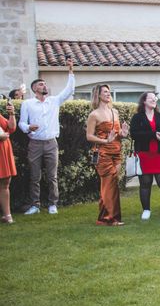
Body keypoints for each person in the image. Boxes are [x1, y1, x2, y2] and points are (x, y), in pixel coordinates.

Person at [19, 59, 75, 215]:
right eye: (41, 84)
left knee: (52, 176)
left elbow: (69, 90)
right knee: (34, 176)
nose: (44, 86)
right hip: (35, 143)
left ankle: (52, 204)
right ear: (34, 89)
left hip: (51, 143)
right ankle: (35, 205)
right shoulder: (27, 104)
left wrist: (70, 71)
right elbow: (21, 123)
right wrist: (29, 127)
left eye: (45, 84)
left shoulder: (54, 101)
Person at [130, 92, 160, 221]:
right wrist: (153, 134)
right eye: (150, 98)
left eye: (154, 98)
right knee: (145, 183)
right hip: (145, 155)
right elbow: (134, 134)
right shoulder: (137, 117)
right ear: (144, 101)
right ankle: (146, 210)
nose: (153, 99)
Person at [85, 84, 129, 226]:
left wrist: (123, 133)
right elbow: (89, 136)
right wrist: (105, 140)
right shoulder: (94, 115)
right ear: (98, 95)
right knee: (108, 184)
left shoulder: (114, 112)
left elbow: (116, 134)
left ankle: (112, 216)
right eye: (105, 92)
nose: (108, 94)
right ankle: (107, 219)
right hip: (103, 153)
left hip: (116, 151)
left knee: (113, 185)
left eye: (109, 92)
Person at [0, 100, 17, 224]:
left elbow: (11, 128)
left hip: (4, 150)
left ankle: (7, 215)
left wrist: (11, 114)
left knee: (5, 182)